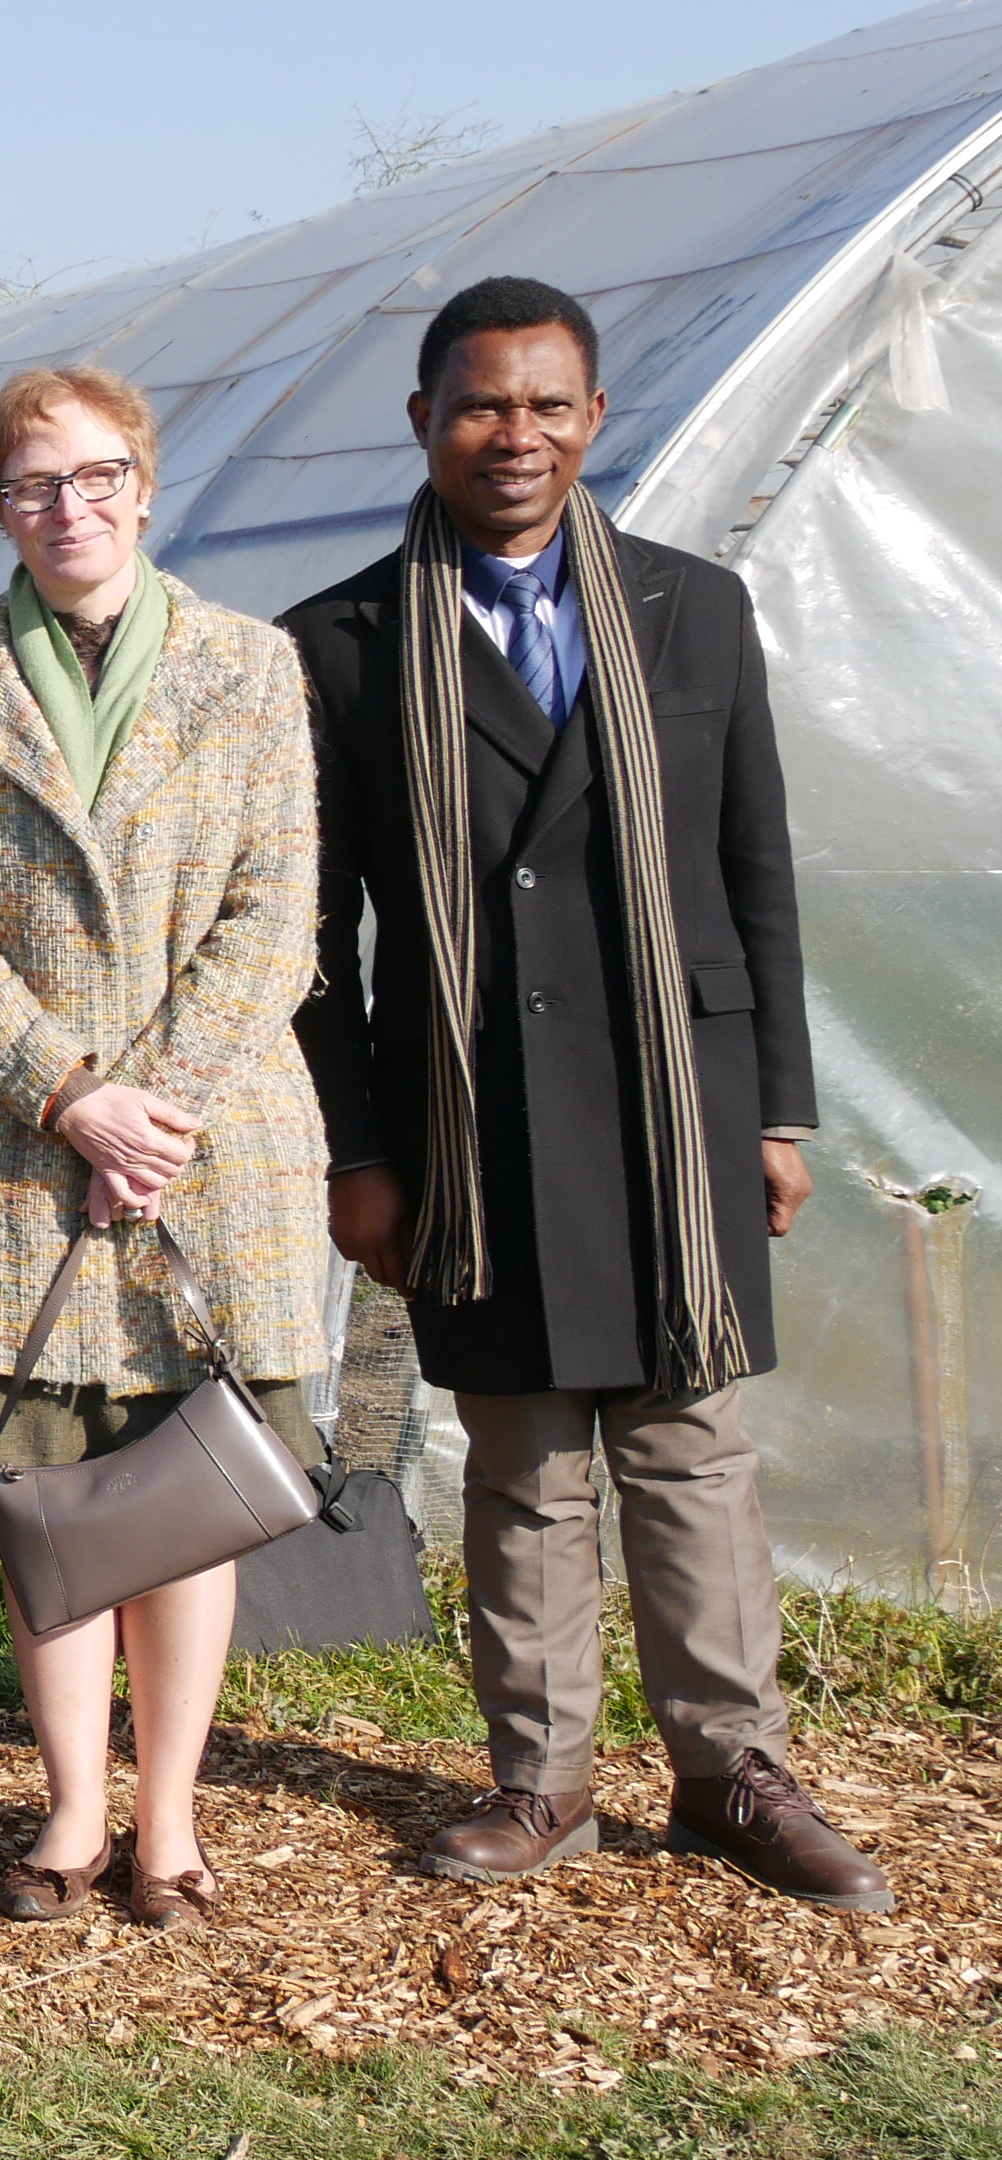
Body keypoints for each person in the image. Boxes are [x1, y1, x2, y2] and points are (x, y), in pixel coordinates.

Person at [285, 278, 889, 1913]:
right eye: (483, 404)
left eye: (549, 405)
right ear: (424, 423)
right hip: (475, 1113)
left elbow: (752, 868)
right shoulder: (338, 643)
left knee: (694, 1443)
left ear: (596, 421)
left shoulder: (696, 612)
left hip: (672, 1097)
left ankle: (730, 1770)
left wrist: (773, 1111)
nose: (517, 435)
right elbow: (312, 943)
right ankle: (542, 1779)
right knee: (525, 1455)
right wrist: (360, 1150)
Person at [0, 365, 330, 1931]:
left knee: (185, 1488)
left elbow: (279, 912)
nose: (66, 508)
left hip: (210, 1146)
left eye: (95, 476)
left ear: (145, 485)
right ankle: (72, 1811)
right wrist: (69, 1094)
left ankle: (173, 1822)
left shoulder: (250, 666)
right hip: (8, 1153)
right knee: (53, 1496)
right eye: (30, 484)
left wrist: (160, 1104)